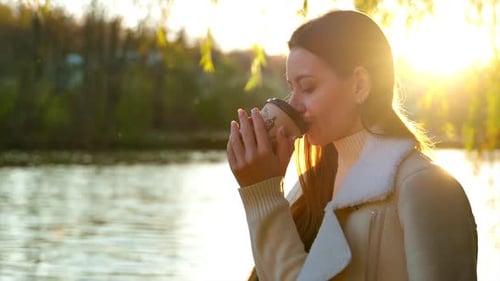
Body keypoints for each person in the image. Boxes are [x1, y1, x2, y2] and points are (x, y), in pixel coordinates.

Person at [226, 10, 477, 281]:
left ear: (359, 85)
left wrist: (263, 195)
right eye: (291, 88)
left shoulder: (425, 187)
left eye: (307, 88)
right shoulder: (309, 189)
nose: (293, 104)